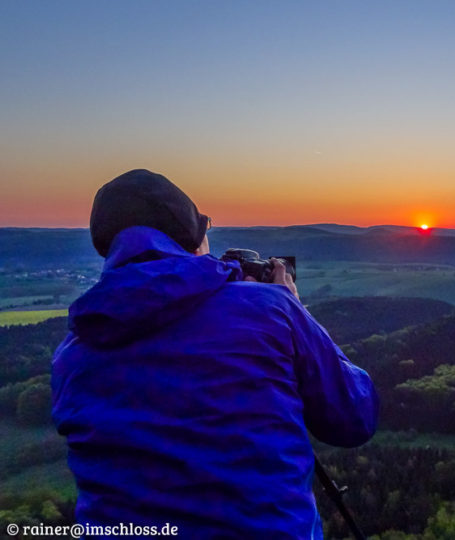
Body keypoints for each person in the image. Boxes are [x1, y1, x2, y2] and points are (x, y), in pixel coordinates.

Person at [51, 169, 379, 539]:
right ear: (193, 237)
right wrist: (295, 310)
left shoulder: (69, 358)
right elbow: (354, 418)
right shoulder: (270, 311)